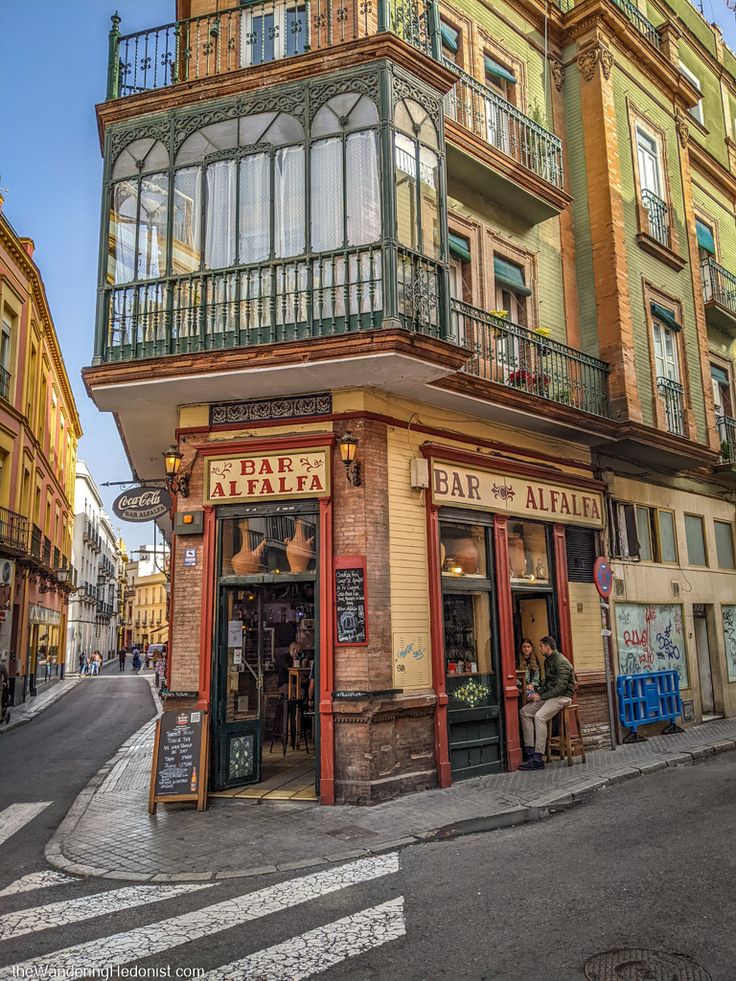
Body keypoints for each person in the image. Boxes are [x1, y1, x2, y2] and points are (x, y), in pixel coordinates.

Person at [519, 635, 575, 771]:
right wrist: (538, 693)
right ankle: (530, 753)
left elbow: (560, 688)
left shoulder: (561, 661)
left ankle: (538, 758)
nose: (539, 649)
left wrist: (541, 696)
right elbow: (547, 683)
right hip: (551, 696)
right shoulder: (548, 660)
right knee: (525, 712)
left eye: (541, 646)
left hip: (563, 697)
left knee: (540, 716)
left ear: (547, 647)